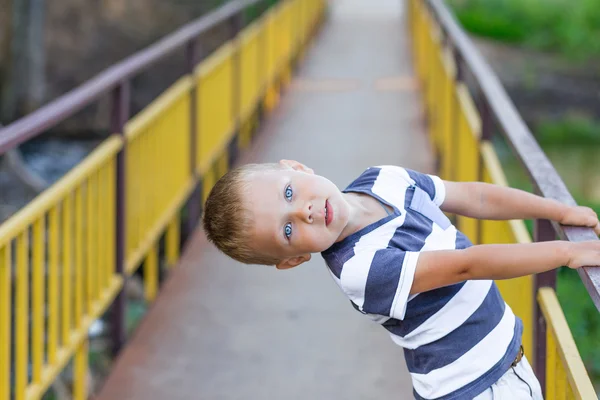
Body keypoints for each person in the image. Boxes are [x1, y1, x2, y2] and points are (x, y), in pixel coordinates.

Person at [201, 159, 600, 400]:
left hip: (501, 368)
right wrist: (567, 253)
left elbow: (474, 197)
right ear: (294, 261)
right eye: (286, 231)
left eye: (289, 193)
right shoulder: (361, 270)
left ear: (297, 168)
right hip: (475, 389)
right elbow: (468, 265)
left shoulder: (384, 180)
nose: (302, 212)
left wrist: (556, 211)